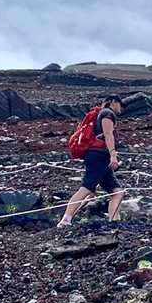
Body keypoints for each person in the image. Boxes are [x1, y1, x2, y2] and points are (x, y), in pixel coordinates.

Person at [58, 96, 124, 226]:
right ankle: (65, 220)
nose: (121, 108)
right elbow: (108, 134)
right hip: (99, 156)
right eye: (120, 104)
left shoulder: (99, 114)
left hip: (100, 157)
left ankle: (114, 222)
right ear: (113, 102)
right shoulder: (107, 113)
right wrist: (113, 155)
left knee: (117, 192)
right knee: (87, 188)